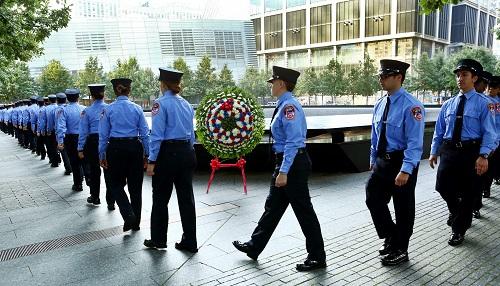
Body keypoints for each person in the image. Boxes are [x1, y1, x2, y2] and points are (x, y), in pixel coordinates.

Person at [232, 66, 326, 272]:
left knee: (304, 211)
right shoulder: (283, 105)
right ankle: (254, 246)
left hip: (292, 165)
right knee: (272, 207)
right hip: (286, 163)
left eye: (273, 82)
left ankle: (317, 257)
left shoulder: (289, 107)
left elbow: (294, 141)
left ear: (281, 83)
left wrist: (283, 171)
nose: (271, 86)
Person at [429, 59, 497, 246]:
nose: (460, 79)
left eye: (464, 75)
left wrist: (483, 156)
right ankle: (456, 211)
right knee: (442, 186)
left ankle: (459, 230)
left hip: (471, 152)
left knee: (469, 192)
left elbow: (490, 132)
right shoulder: (448, 104)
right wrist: (434, 151)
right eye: (458, 75)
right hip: (450, 151)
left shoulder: (485, 104)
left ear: (474, 78)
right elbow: (439, 130)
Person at [365, 59, 424, 266]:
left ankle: (401, 249)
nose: (381, 79)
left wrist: (406, 169)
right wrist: (373, 159)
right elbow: (375, 135)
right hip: (383, 161)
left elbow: (415, 142)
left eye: (385, 76)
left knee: (403, 207)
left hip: (401, 162)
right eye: (380, 76)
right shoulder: (380, 104)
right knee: (372, 198)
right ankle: (391, 235)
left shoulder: (412, 106)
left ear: (399, 77)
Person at [143, 68, 197, 252]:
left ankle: (159, 240)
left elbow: (157, 135)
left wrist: (151, 161)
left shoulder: (160, 103)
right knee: (186, 199)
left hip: (168, 154)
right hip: (186, 152)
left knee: (160, 198)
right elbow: (192, 135)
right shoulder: (187, 104)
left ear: (163, 84)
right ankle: (190, 241)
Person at [99, 78, 149, 232]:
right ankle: (136, 223)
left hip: (115, 148)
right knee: (136, 188)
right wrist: (147, 154)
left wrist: (102, 155)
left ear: (115, 91)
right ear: (129, 90)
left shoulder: (108, 110)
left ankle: (128, 214)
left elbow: (103, 135)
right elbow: (145, 133)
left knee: (115, 184)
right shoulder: (137, 109)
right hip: (135, 147)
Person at [78, 84, 115, 210]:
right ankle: (111, 201)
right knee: (109, 172)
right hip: (109, 141)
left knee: (94, 171)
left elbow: (83, 132)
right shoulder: (110, 108)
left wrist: (80, 148)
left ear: (91, 96)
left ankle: (95, 197)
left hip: (93, 142)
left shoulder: (86, 111)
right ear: (103, 94)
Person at [57, 88, 85, 192]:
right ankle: (87, 178)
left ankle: (78, 184)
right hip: (84, 137)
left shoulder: (63, 110)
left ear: (67, 98)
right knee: (84, 159)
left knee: (74, 161)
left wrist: (60, 141)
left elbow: (61, 127)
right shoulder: (84, 109)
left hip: (71, 139)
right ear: (78, 98)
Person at [480, 75, 500, 199]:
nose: (490, 90)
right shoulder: (484, 101)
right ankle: (484, 189)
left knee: (491, 167)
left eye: (494, 88)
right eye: (489, 87)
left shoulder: (497, 102)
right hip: (486, 140)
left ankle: (486, 188)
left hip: (496, 140)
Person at [54, 93, 73, 173]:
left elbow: (60, 126)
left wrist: (60, 141)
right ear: (66, 100)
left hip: (65, 135)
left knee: (65, 153)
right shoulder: (80, 108)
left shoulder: (59, 110)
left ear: (57, 101)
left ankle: (68, 169)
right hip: (77, 135)